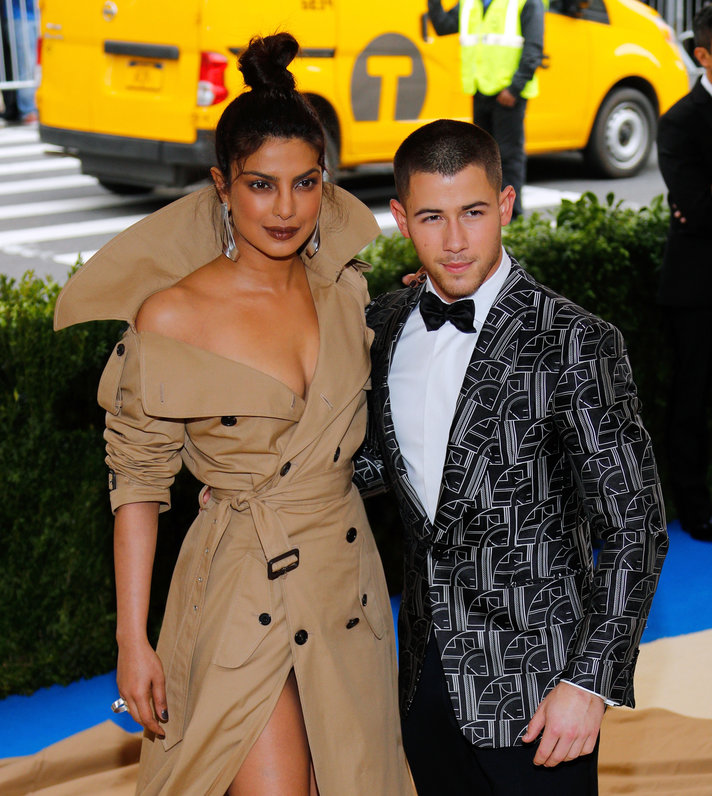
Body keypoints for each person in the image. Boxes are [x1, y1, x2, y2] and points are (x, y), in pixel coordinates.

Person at [53, 33, 415, 796]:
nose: (285, 209)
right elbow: (138, 490)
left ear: (328, 183)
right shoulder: (170, 316)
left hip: (345, 580)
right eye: (260, 185)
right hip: (239, 584)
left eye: (305, 183)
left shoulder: (345, 293)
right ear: (222, 185)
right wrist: (133, 640)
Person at [353, 119, 667, 795]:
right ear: (401, 218)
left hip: (540, 687)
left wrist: (589, 682)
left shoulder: (575, 340)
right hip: (423, 681)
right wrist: (256, 482)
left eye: (473, 212)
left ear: (506, 205)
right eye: (432, 217)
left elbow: (634, 525)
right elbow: (381, 465)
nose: (456, 240)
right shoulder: (383, 325)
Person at [656, 2, 712, 542]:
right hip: (698, 286)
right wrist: (707, 197)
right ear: (703, 53)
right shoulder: (679, 119)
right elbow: (696, 208)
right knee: (691, 399)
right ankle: (696, 510)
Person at [427, 0, 545, 218]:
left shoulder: (525, 2)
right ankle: (488, 216)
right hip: (480, 89)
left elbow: (534, 48)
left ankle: (513, 216)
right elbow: (443, 27)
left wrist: (515, 88)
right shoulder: (471, 2)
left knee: (508, 156)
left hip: (508, 94)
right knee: (482, 158)